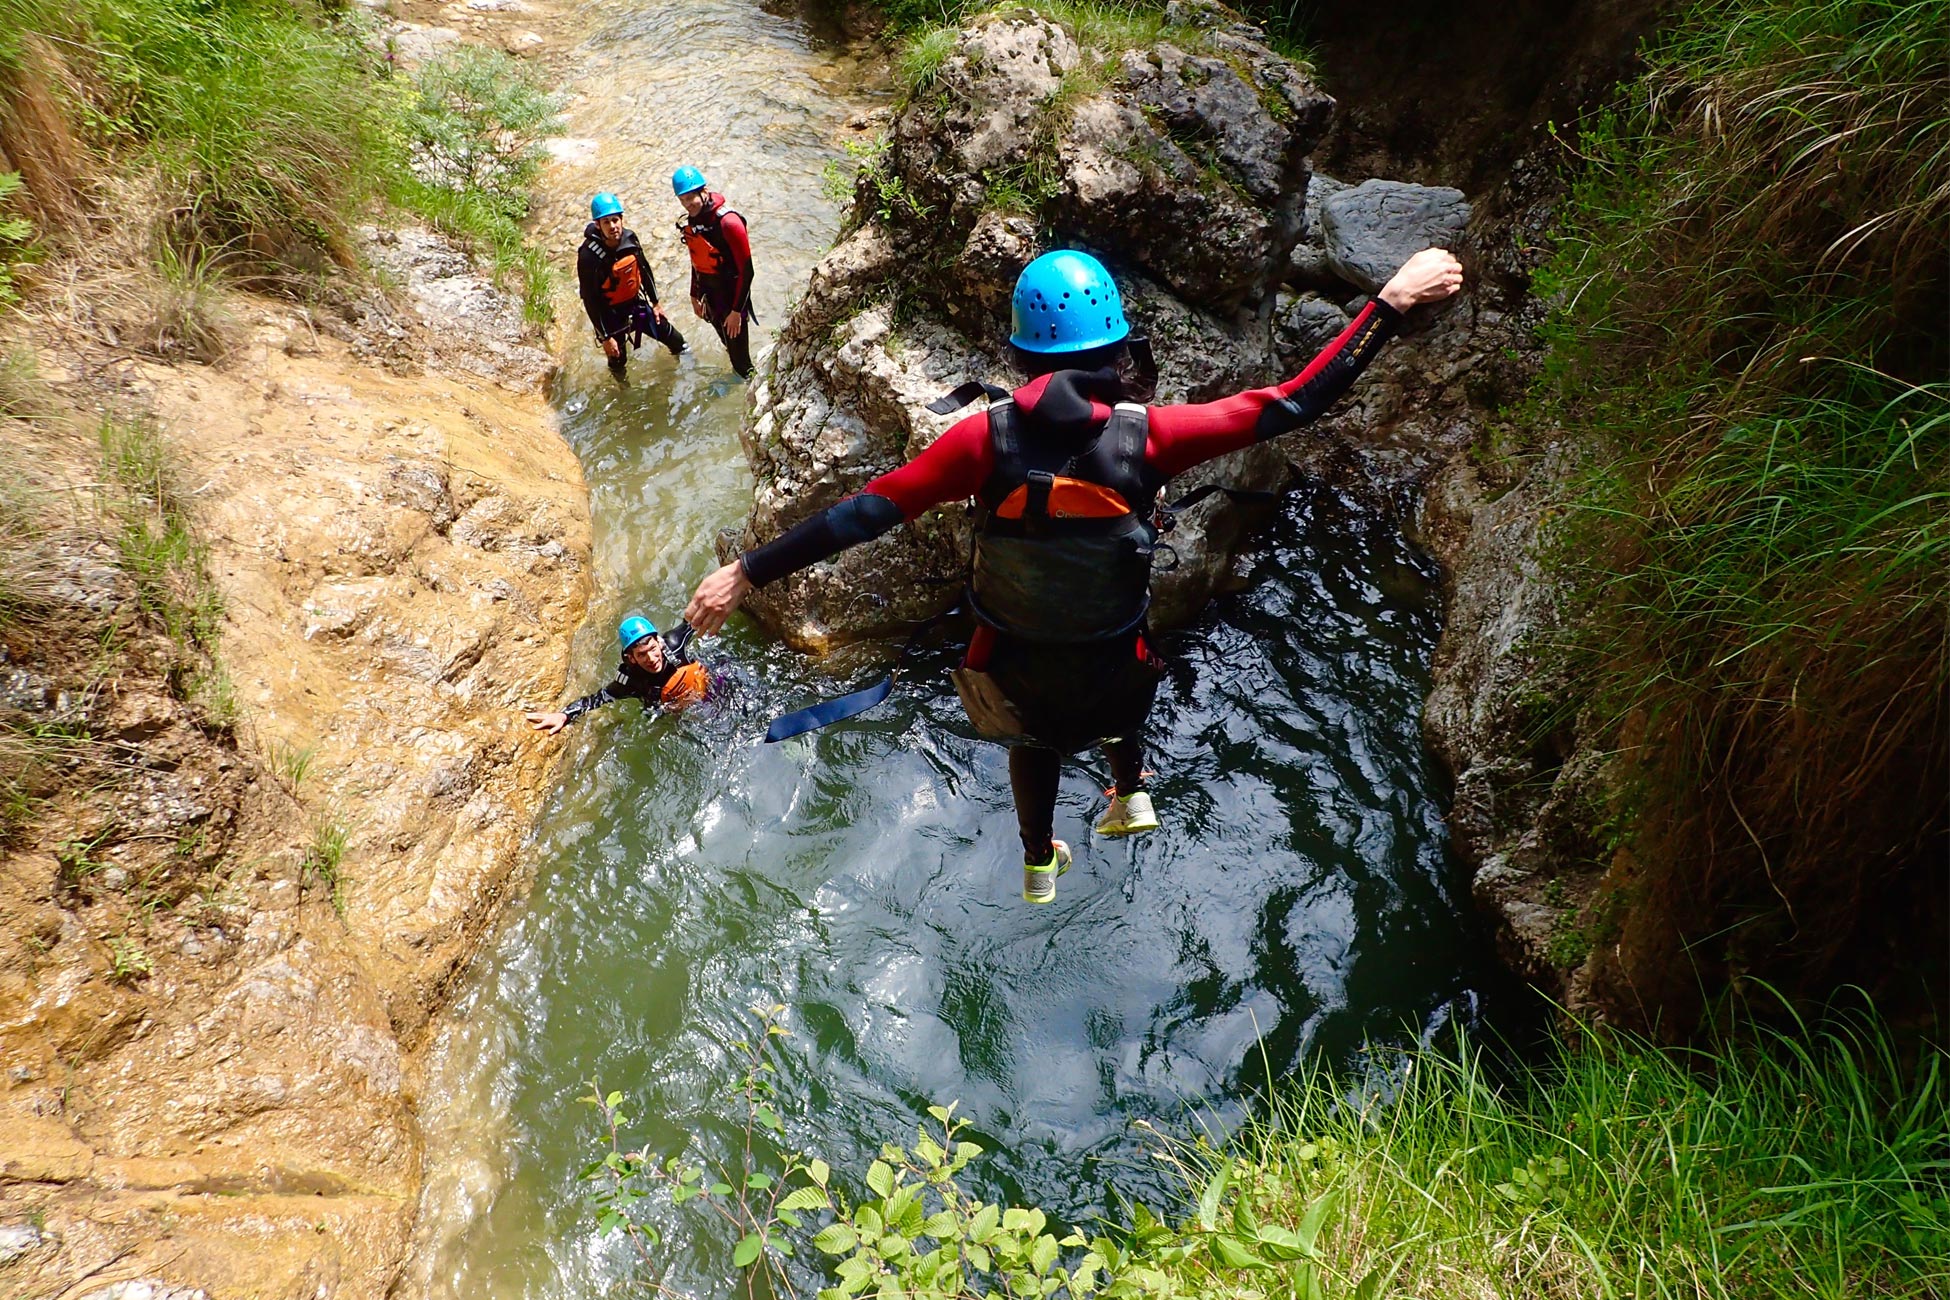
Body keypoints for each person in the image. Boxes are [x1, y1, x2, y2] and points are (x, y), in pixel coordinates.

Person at [686, 245, 1464, 902]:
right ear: (1118, 353)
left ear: (1020, 352)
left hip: (1013, 657)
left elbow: (866, 512)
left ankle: (1037, 862)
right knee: (1123, 695)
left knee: (1034, 738)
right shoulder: (1152, 436)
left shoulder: (980, 443)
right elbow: (1295, 402)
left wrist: (747, 572)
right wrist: (1390, 300)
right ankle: (1129, 797)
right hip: (1115, 651)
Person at [527, 615, 711, 734]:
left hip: (705, 685)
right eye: (641, 655)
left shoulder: (674, 643)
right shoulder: (630, 680)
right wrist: (564, 715)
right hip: (670, 711)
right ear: (631, 658)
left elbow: (702, 614)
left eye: (653, 649)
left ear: (659, 642)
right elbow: (598, 698)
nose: (652, 658)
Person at [578, 193, 687, 384]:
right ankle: (623, 391)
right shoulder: (588, 256)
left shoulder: (630, 239)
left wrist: (656, 303)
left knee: (676, 340)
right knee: (618, 362)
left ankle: (688, 372)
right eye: (606, 222)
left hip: (635, 306)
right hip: (609, 316)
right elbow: (590, 300)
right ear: (598, 225)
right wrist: (605, 337)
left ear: (621, 219)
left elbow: (644, 271)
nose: (612, 226)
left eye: (615, 220)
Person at [671, 166, 757, 379]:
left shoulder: (729, 222)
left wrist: (737, 312)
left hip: (732, 299)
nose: (687, 204)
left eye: (691, 197)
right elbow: (697, 258)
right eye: (683, 200)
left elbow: (748, 271)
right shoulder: (694, 219)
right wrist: (694, 295)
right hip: (712, 297)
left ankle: (753, 391)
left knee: (741, 365)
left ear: (704, 190)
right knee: (728, 345)